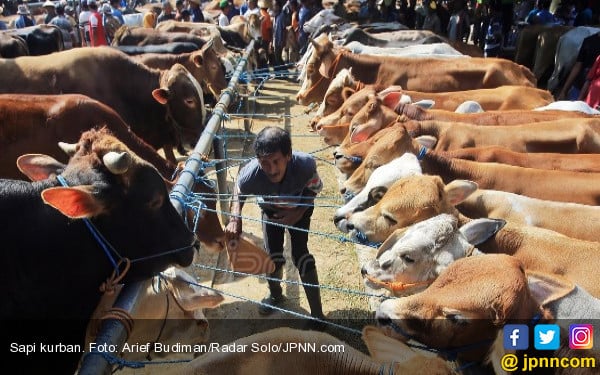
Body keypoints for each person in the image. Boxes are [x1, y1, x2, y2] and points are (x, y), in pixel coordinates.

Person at [225, 127, 326, 330]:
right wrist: (235, 216)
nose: (271, 169)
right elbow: (239, 189)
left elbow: (315, 188)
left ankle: (318, 316)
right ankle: (276, 295)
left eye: (276, 161)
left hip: (299, 210)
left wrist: (296, 214)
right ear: (258, 160)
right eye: (265, 163)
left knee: (301, 255)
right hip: (270, 213)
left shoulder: (304, 166)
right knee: (272, 256)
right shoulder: (251, 174)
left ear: (288, 156)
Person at [557, 31, 600, 101]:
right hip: (580, 85)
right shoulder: (588, 41)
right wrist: (564, 91)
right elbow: (577, 66)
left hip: (595, 91)